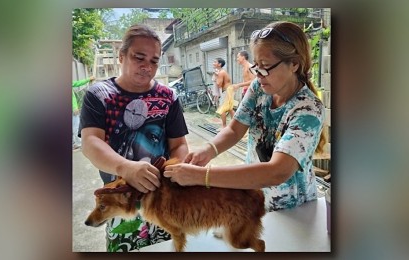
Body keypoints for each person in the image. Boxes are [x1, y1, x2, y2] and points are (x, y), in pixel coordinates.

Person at [164, 21, 327, 212]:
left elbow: (277, 171)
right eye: (256, 66)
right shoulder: (260, 88)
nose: (258, 74)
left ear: (294, 64)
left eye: (265, 66)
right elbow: (235, 129)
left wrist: (202, 176)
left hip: (293, 209)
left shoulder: (308, 109)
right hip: (255, 196)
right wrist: (209, 150)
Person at [79, 24, 189, 252]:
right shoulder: (99, 95)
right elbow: (91, 143)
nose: (147, 67)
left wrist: (173, 172)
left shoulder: (168, 97)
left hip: (165, 199)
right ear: (121, 56)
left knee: (172, 246)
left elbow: (179, 145)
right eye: (139, 57)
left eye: (154, 61)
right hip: (119, 202)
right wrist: (125, 167)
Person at [72, 76, 94, 149]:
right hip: (73, 110)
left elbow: (78, 83)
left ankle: (74, 143)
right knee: (76, 126)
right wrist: (74, 108)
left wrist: (88, 79)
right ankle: (78, 143)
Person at [213, 58, 235, 129]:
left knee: (222, 108)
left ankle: (224, 125)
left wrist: (216, 76)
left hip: (226, 91)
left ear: (219, 64)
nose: (213, 63)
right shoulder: (222, 71)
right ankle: (234, 124)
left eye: (215, 62)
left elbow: (219, 84)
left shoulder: (221, 72)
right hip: (229, 90)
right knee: (230, 108)